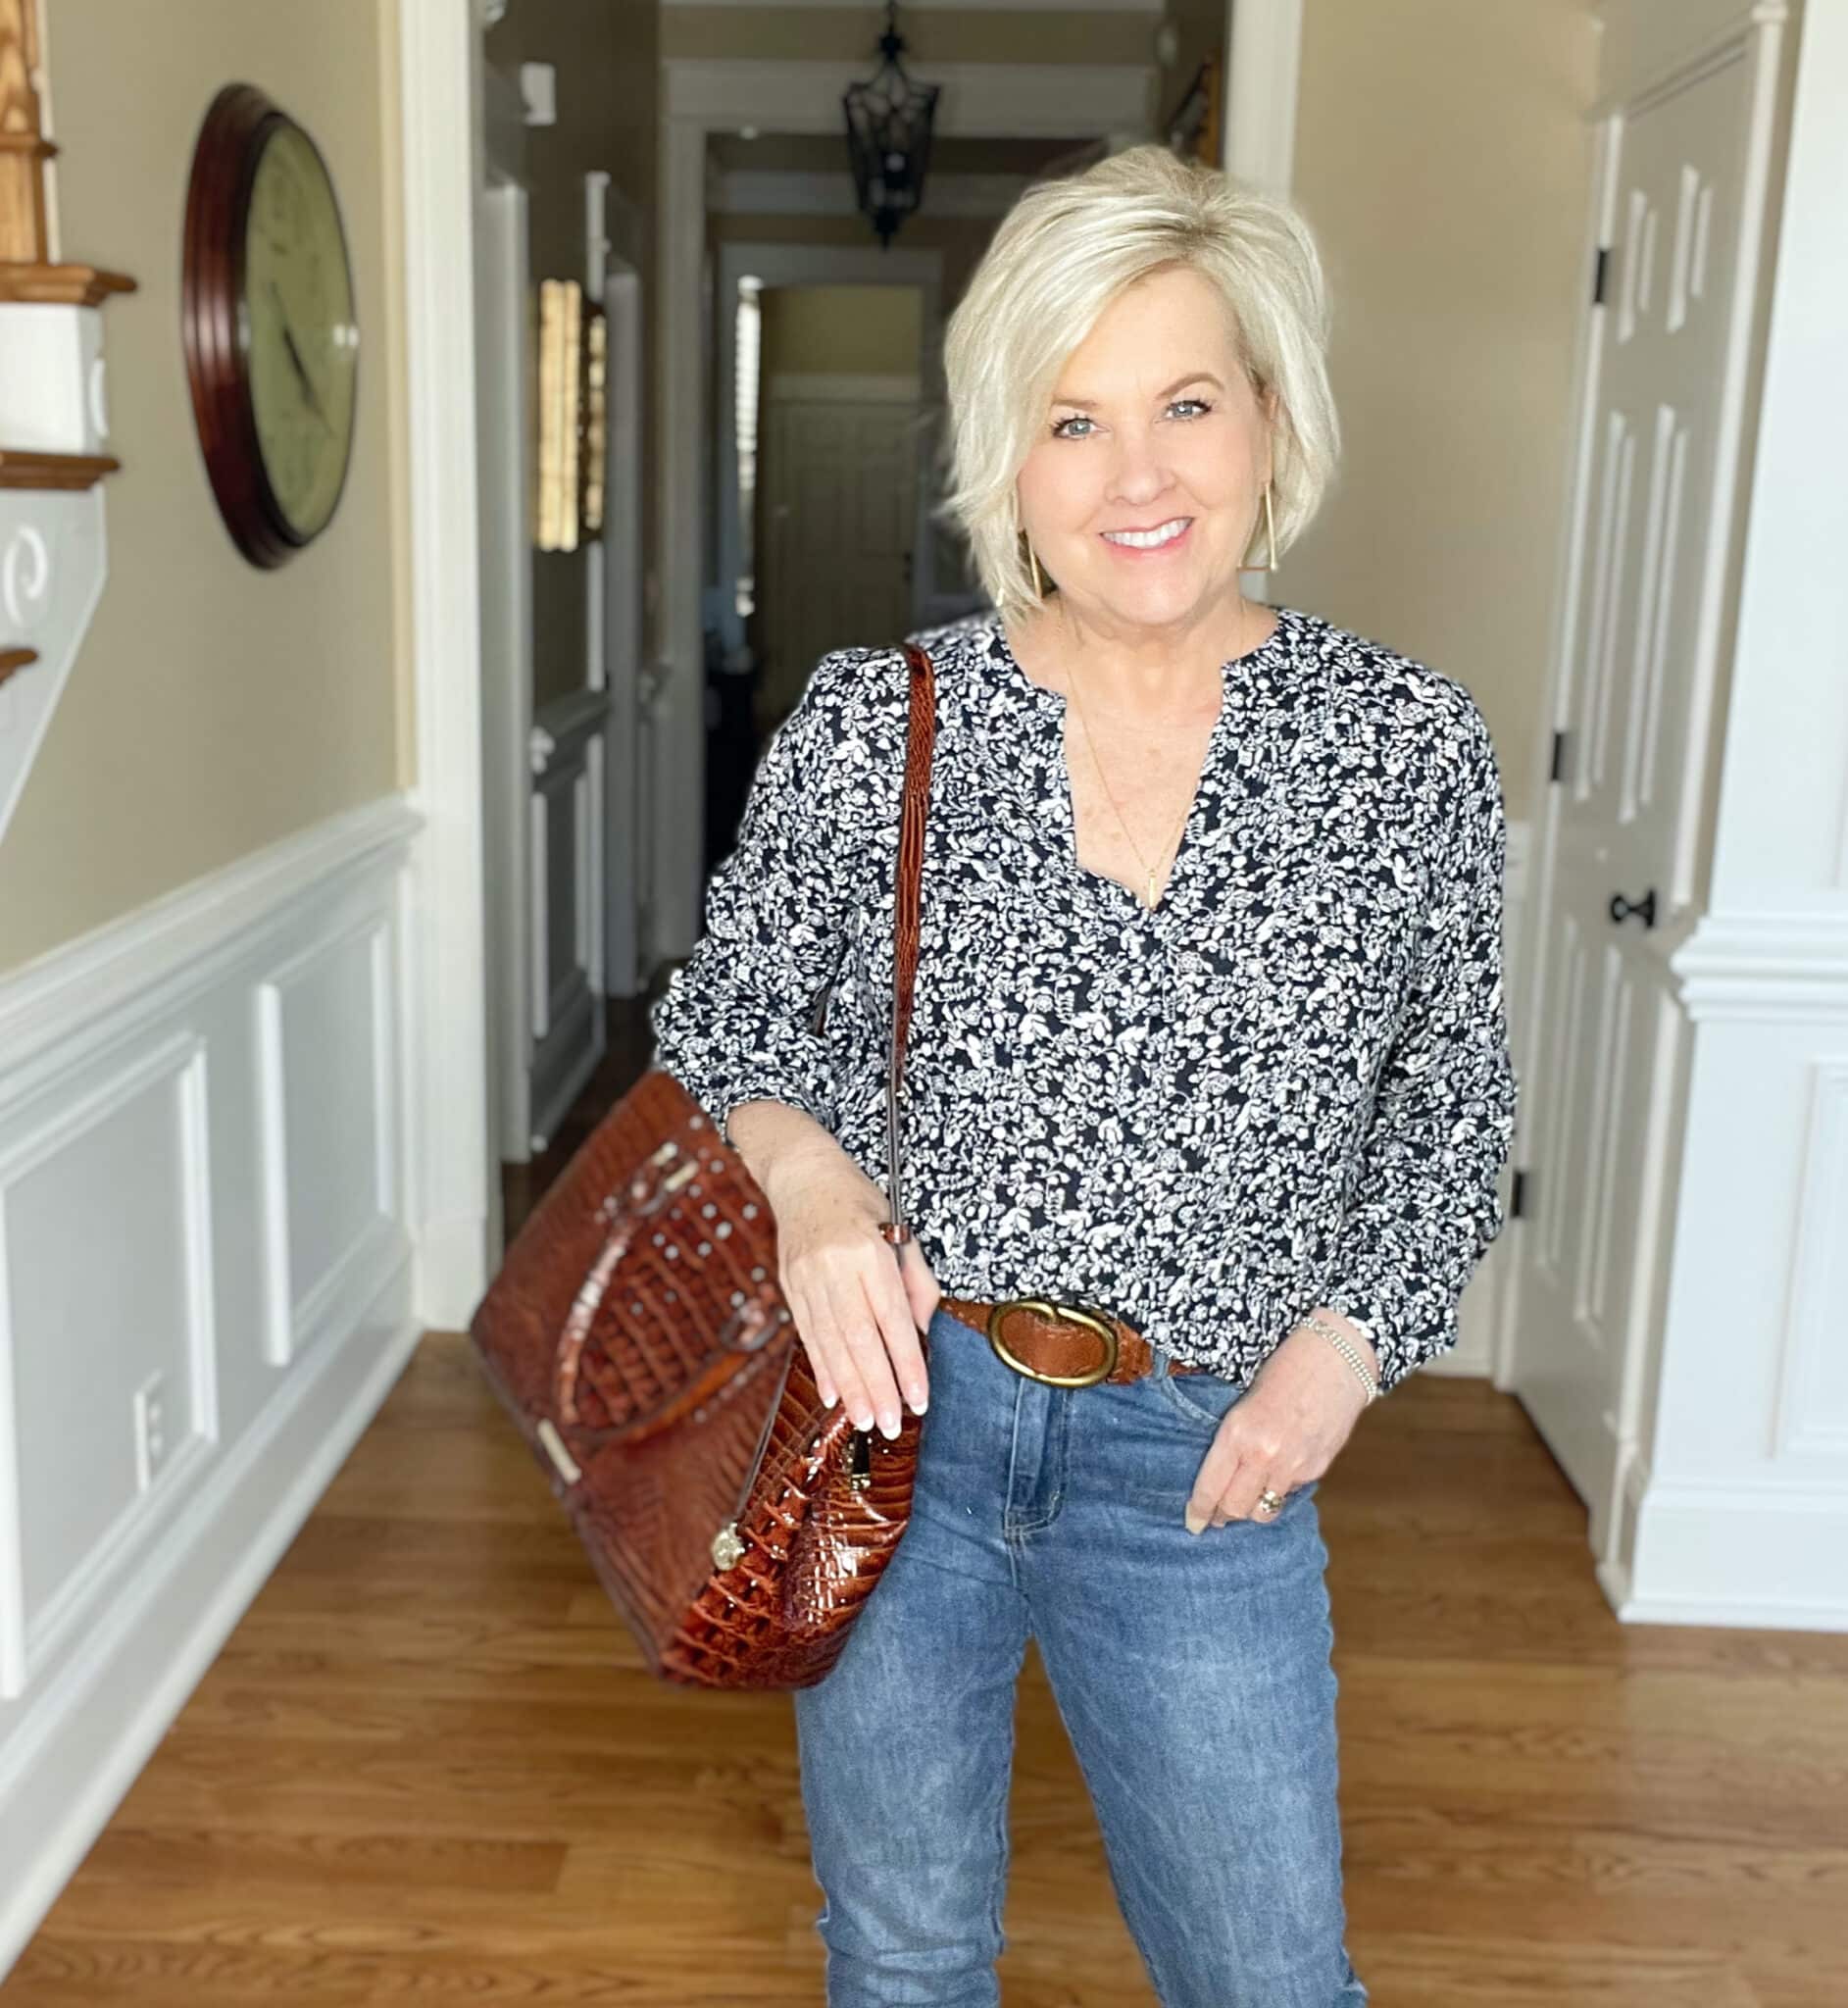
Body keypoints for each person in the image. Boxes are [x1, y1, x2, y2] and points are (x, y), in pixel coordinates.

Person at [648, 142, 1517, 2008]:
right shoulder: (880, 721)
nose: (1137, 477)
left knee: (1269, 1982)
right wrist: (807, 1188)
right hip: (896, 1431)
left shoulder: (1400, 750)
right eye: (1073, 419)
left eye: (1185, 403)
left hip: (1202, 1458)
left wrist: (1335, 1364)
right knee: (896, 1962)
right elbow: (730, 1019)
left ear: (1268, 424)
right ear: (1007, 463)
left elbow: (1447, 1120)